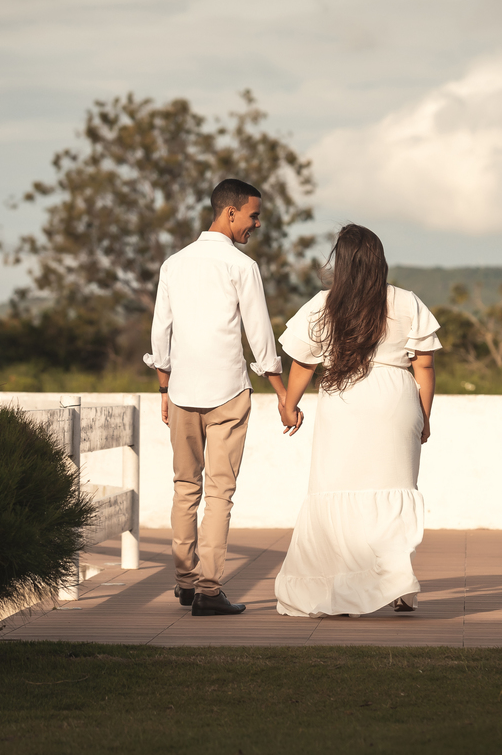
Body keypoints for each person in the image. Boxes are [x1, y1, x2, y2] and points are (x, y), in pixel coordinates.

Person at [145, 178, 299, 617]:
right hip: (228, 392)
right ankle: (209, 590)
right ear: (230, 213)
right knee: (219, 495)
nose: (257, 224)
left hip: (181, 392)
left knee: (184, 488)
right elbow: (259, 334)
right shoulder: (241, 266)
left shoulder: (173, 264)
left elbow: (161, 331)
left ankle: (184, 582)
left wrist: (163, 388)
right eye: (253, 215)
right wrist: (284, 394)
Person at [273, 224, 440, 617]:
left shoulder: (323, 304)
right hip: (396, 402)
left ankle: (343, 588)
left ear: (342, 263)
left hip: (343, 400)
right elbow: (425, 366)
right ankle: (397, 585)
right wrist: (424, 417)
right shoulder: (407, 302)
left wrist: (288, 403)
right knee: (393, 490)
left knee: (335, 490)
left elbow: (302, 362)